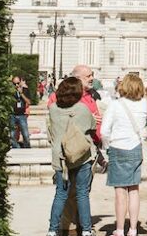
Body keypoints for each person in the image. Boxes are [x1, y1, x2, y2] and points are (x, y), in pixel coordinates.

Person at [47, 77, 96, 236]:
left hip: (61, 158)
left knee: (60, 194)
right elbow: (92, 127)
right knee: (82, 194)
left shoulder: (53, 109)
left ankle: (52, 229)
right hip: (81, 156)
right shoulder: (82, 109)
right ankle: (87, 229)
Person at [100, 74, 147, 236]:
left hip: (118, 147)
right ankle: (133, 229)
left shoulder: (115, 105)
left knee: (120, 192)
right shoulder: (143, 105)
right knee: (134, 189)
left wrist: (107, 146)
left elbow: (104, 131)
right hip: (135, 147)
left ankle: (120, 229)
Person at [11, 76, 32, 149]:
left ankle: (27, 148)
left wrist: (21, 93)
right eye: (14, 84)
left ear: (21, 82)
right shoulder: (10, 91)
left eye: (18, 83)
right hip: (12, 115)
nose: (16, 85)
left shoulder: (25, 90)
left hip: (22, 115)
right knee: (12, 135)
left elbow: (28, 102)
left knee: (25, 135)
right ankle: (17, 148)